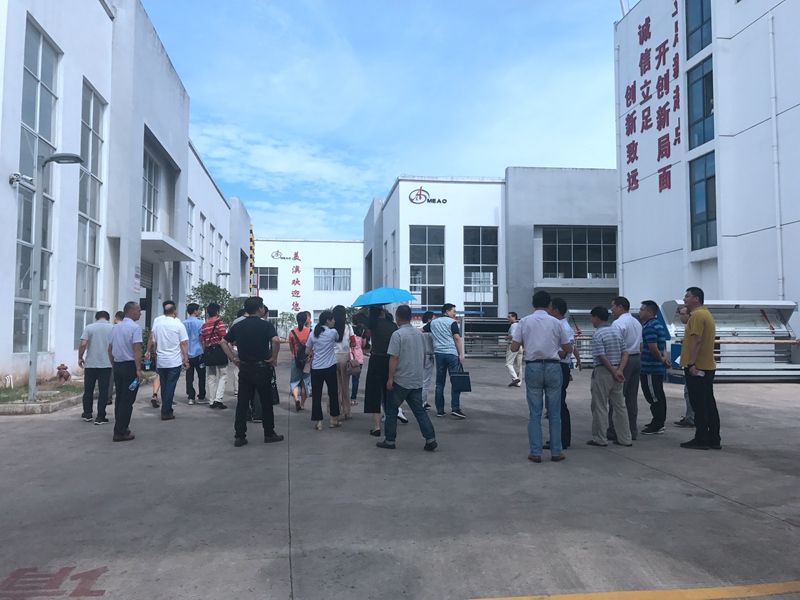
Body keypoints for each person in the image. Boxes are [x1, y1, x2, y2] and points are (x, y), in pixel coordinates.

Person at [510, 291, 572, 463]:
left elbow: (514, 348)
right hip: (553, 367)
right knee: (554, 413)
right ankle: (556, 452)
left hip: (534, 367)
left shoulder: (524, 322)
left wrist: (527, 343)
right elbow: (568, 348)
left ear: (533, 304)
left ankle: (535, 452)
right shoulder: (556, 322)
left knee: (535, 413)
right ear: (549, 305)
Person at [220, 296, 283, 447]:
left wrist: (234, 359)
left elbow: (223, 342)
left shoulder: (238, 326)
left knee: (242, 403)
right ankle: (269, 433)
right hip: (262, 367)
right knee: (266, 402)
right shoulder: (265, 325)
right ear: (259, 308)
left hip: (245, 367)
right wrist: (274, 358)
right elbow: (276, 340)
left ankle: (240, 436)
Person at [376, 305, 438, 451]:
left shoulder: (397, 335)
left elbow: (394, 358)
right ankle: (430, 439)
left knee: (391, 410)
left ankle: (390, 440)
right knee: (419, 411)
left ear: (397, 318)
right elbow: (423, 356)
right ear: (410, 317)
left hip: (401, 379)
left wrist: (390, 378)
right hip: (416, 379)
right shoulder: (419, 334)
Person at [679, 287, 720, 450]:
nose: (684, 299)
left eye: (687, 296)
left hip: (698, 367)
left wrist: (691, 364)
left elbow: (696, 340)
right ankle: (714, 438)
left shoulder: (696, 316)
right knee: (709, 403)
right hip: (707, 366)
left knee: (699, 405)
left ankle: (701, 438)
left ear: (696, 299)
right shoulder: (706, 314)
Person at [587, 306, 631, 448]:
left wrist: (612, 371)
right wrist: (619, 371)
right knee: (620, 407)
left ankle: (600, 438)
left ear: (596, 318)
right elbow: (625, 352)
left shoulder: (598, 334)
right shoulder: (616, 332)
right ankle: (625, 438)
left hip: (604, 372)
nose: (591, 320)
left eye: (592, 317)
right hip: (618, 370)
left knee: (599, 406)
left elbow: (601, 356)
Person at [546, 297, 579, 450]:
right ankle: (559, 437)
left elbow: (564, 352)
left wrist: (545, 351)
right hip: (559, 367)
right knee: (556, 404)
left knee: (558, 404)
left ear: (556, 311)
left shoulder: (562, 327)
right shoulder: (560, 325)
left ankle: (562, 439)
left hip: (560, 367)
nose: (547, 311)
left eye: (549, 308)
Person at [107, 301, 143, 442]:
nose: (140, 313)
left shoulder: (116, 327)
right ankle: (120, 431)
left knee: (120, 398)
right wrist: (138, 369)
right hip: (129, 366)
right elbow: (137, 349)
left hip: (118, 365)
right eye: (138, 311)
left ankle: (121, 426)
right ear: (131, 312)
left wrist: (113, 364)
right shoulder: (135, 328)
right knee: (127, 400)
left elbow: (110, 348)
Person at [608, 296, 643, 441]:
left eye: (613, 306)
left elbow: (616, 346)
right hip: (636, 358)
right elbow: (641, 344)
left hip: (624, 360)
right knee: (631, 397)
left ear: (620, 307)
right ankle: (632, 430)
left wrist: (616, 367)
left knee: (617, 397)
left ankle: (615, 430)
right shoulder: (636, 322)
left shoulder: (618, 323)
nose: (611, 309)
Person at [151, 303, 189, 420]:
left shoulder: (157, 325)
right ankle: (166, 411)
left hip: (161, 360)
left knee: (164, 385)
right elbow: (183, 343)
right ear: (175, 312)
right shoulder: (178, 325)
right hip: (174, 360)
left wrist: (156, 355)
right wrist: (186, 358)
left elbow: (154, 343)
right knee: (170, 386)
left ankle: (166, 409)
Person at [363, 306, 398, 435]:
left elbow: (357, 316)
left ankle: (377, 427)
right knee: (388, 392)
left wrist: (364, 307)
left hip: (375, 359)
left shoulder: (373, 324)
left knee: (374, 393)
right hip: (389, 360)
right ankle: (389, 423)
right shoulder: (393, 326)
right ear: (383, 312)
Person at [639, 300, 671, 435]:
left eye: (642, 310)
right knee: (658, 394)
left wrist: (662, 360)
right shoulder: (658, 325)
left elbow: (653, 348)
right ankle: (658, 421)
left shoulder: (650, 327)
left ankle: (658, 424)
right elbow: (662, 346)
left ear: (650, 312)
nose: (640, 312)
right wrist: (663, 359)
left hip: (650, 368)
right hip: (656, 367)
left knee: (653, 396)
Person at [306, 310, 341, 430]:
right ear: (328, 321)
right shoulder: (333, 332)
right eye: (332, 319)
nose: (334, 321)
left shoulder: (313, 333)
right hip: (330, 367)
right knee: (333, 393)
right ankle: (333, 419)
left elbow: (307, 351)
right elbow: (337, 339)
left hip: (316, 368)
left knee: (317, 395)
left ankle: (319, 421)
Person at [78, 311, 114, 424]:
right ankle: (100, 416)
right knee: (103, 391)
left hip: (90, 364)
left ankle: (87, 413)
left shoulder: (89, 327)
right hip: (106, 364)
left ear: (96, 318)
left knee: (88, 390)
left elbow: (83, 344)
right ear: (108, 318)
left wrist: (80, 357)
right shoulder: (112, 328)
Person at [431, 303, 465, 419]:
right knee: (455, 381)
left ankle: (440, 410)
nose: (455, 314)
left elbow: (422, 330)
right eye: (453, 311)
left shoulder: (434, 322)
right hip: (451, 354)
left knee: (439, 383)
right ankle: (455, 408)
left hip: (439, 354)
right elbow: (457, 338)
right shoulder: (452, 323)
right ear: (447, 311)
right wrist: (460, 354)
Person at [144, 300, 175, 409]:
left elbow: (151, 337)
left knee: (159, 374)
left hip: (159, 351)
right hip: (172, 354)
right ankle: (168, 401)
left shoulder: (157, 320)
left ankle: (155, 394)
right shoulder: (175, 321)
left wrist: (148, 350)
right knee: (170, 379)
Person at [200, 302, 228, 410]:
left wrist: (204, 353)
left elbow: (203, 341)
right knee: (223, 375)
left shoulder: (204, 325)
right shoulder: (220, 323)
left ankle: (212, 400)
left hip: (209, 351)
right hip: (219, 351)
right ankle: (218, 399)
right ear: (217, 312)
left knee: (211, 376)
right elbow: (224, 338)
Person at [333, 305, 356, 421]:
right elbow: (353, 343)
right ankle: (347, 411)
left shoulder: (331, 328)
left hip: (333, 357)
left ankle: (338, 412)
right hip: (345, 356)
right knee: (345, 386)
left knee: (335, 386)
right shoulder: (348, 327)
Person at [674, 306, 695, 428]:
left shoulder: (692, 327)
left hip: (692, 365)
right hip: (688, 363)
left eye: (682, 314)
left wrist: (691, 363)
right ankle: (690, 416)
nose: (680, 317)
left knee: (690, 392)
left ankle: (691, 418)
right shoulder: (688, 327)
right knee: (688, 392)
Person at [289, 311, 312, 412]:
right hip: (307, 360)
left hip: (296, 359)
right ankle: (302, 404)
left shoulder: (292, 332)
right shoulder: (310, 332)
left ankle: (296, 399)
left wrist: (294, 355)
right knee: (305, 382)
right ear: (306, 319)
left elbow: (291, 348)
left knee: (294, 381)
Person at [183, 303, 206, 405]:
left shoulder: (183, 323)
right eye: (198, 310)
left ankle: (190, 397)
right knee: (201, 376)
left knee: (189, 377)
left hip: (187, 353)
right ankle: (201, 396)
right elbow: (202, 339)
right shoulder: (200, 323)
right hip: (198, 352)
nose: (199, 311)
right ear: (195, 311)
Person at [420, 311, 435, 410]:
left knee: (422, 379)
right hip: (428, 356)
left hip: (421, 356)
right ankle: (422, 402)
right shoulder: (429, 331)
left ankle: (423, 401)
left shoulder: (420, 330)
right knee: (425, 381)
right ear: (429, 320)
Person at [504, 312, 523, 387]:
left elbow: (512, 336)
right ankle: (518, 382)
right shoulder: (519, 325)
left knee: (508, 363)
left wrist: (507, 337)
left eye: (509, 317)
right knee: (518, 364)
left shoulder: (513, 325)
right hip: (520, 345)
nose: (508, 318)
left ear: (514, 317)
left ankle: (515, 378)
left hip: (513, 345)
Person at [350, 321, 365, 406]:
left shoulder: (350, 333)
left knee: (345, 379)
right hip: (359, 358)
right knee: (355, 380)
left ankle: (343, 398)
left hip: (350, 357)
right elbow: (363, 345)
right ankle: (353, 399)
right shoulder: (362, 333)